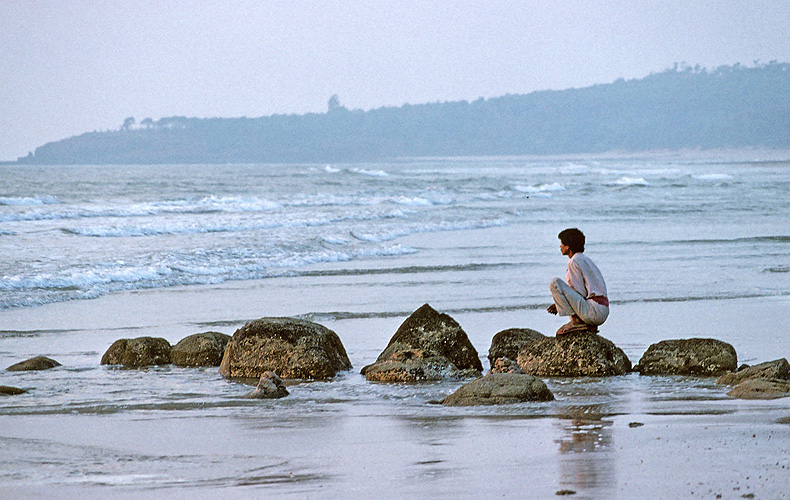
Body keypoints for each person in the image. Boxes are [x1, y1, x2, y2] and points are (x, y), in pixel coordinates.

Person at [546, 228, 609, 335]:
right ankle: (586, 324)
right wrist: (559, 304)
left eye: (562, 243)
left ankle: (576, 322)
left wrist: (559, 305)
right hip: (602, 310)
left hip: (593, 312)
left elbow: (580, 293)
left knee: (555, 283)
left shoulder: (573, 261)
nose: (560, 246)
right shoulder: (585, 259)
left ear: (568, 246)